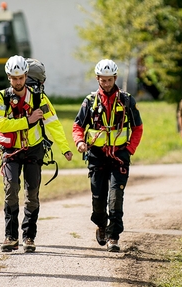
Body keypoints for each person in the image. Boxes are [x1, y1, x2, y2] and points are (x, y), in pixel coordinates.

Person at [0, 55, 73, 253]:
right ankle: (10, 236)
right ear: (9, 77)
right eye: (14, 77)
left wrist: (65, 148)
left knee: (32, 194)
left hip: (34, 150)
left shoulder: (39, 98)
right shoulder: (0, 97)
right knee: (11, 188)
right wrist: (27, 121)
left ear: (26, 75)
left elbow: (53, 123)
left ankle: (28, 236)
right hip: (11, 151)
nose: (18, 81)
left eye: (21, 77)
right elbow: (1, 123)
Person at [72, 59, 143, 252]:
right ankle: (101, 225)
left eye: (109, 80)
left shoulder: (127, 100)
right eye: (102, 80)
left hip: (120, 156)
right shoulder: (89, 101)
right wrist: (79, 141)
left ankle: (113, 236)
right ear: (97, 79)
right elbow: (78, 126)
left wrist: (129, 150)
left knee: (115, 197)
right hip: (96, 156)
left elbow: (138, 128)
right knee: (98, 199)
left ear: (115, 78)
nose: (106, 83)